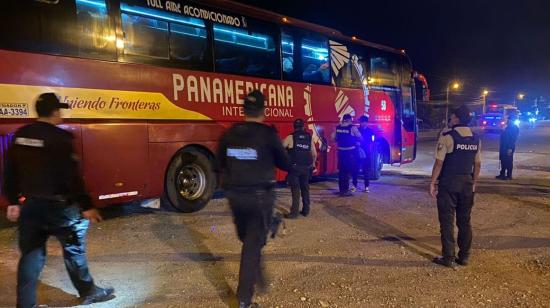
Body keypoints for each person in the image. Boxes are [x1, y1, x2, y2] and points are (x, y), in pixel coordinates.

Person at [3, 93, 115, 307]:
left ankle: (25, 305)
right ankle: (88, 291)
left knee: (30, 256)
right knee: (73, 248)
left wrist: (13, 201)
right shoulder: (61, 139)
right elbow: (72, 178)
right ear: (54, 112)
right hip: (59, 208)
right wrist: (87, 206)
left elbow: (9, 172)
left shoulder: (20, 135)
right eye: (59, 111)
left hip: (31, 207)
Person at [217, 90, 290, 308]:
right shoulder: (268, 135)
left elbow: (218, 163)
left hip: (235, 198)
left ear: (243, 110)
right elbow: (285, 164)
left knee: (250, 240)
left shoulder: (229, 134)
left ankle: (258, 279)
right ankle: (244, 300)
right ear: (264, 111)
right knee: (252, 244)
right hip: (260, 199)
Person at [429, 105, 481, 268]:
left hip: (449, 184)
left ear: (457, 118)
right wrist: (474, 182)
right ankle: (464, 256)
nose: (450, 119)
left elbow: (439, 163)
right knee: (464, 221)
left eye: (451, 117)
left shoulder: (447, 137)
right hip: (467, 184)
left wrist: (432, 182)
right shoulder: (475, 138)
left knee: (447, 221)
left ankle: (449, 257)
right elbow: (477, 165)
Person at [283, 118, 317, 218]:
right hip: (306, 167)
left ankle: (294, 213)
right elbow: (314, 154)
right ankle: (306, 210)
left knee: (295, 189)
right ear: (303, 126)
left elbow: (282, 149)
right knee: (305, 188)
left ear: (294, 127)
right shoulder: (308, 137)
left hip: (295, 167)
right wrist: (313, 164)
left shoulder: (291, 137)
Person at [332, 114, 362, 196]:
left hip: (340, 152)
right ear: (349, 120)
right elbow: (360, 137)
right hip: (350, 152)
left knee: (341, 171)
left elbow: (333, 138)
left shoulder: (337, 128)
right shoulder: (352, 128)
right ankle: (346, 190)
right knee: (347, 171)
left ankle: (341, 190)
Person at [352, 115, 374, 193]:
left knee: (366, 170)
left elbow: (372, 141)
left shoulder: (370, 131)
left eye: (364, 122)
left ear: (366, 123)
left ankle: (366, 186)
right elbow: (353, 140)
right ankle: (354, 186)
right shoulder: (357, 130)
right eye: (361, 122)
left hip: (367, 153)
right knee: (355, 169)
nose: (363, 123)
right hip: (358, 152)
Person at [496, 114, 520, 180]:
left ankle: (509, 175)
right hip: (503, 146)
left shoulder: (514, 127)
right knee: (503, 160)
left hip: (508, 147)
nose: (506, 120)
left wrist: (510, 148)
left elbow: (513, 139)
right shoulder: (507, 127)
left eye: (507, 119)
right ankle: (502, 174)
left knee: (508, 161)